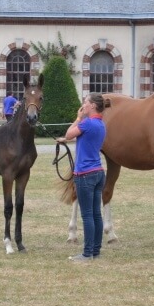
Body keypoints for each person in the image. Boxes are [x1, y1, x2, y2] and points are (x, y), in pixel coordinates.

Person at [56, 94, 107, 261]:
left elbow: (70, 133)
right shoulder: (101, 124)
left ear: (93, 106)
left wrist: (78, 118)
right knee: (96, 214)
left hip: (85, 174)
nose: (83, 105)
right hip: (98, 172)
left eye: (85, 102)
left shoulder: (86, 123)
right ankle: (95, 250)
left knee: (87, 215)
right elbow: (82, 138)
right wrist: (67, 139)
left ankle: (87, 253)